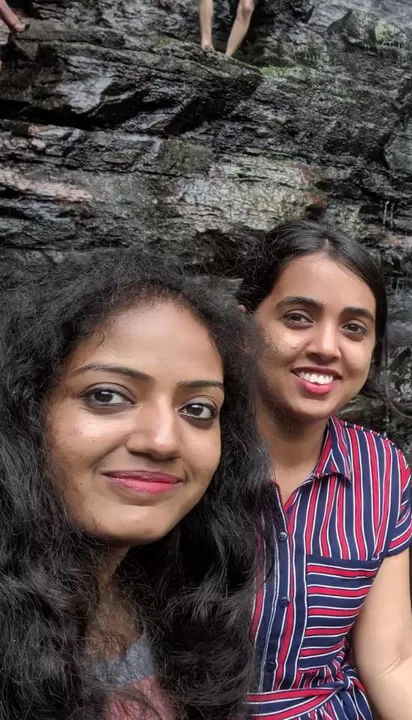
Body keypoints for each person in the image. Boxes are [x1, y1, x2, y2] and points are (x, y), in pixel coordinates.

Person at [0, 252, 275, 719]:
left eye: (198, 409)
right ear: (26, 411)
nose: (163, 441)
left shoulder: (183, 597)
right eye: (107, 396)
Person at [236, 217, 412, 719]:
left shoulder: (381, 469)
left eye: (354, 328)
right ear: (244, 325)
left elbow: (392, 659)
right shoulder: (184, 453)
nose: (327, 347)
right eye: (298, 317)